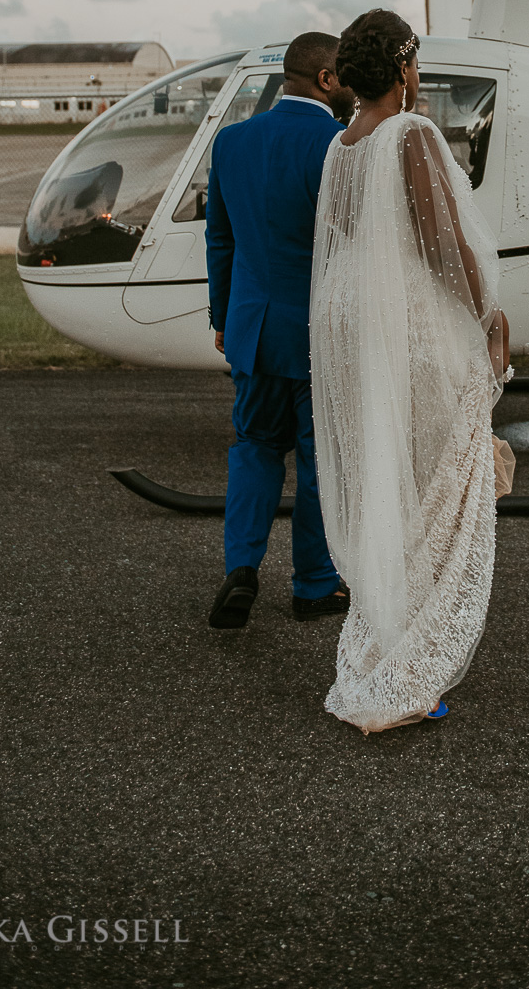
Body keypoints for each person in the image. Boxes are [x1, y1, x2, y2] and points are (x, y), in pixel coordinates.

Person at [310, 9, 510, 733]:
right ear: (403, 69)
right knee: (435, 475)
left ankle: (382, 640)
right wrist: (489, 313)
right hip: (407, 323)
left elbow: (341, 236)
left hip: (350, 317)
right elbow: (440, 238)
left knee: (389, 474)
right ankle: (410, 665)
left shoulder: (343, 145)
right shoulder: (410, 134)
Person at [204, 31, 358, 630]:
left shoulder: (232, 142)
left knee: (254, 447)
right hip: (319, 335)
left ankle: (240, 568)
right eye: (345, 76)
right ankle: (313, 585)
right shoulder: (340, 145)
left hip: (253, 329)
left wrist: (223, 317)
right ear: (325, 79)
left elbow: (222, 240)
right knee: (321, 462)